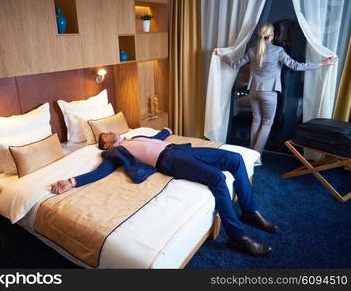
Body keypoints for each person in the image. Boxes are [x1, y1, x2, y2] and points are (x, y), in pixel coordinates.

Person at [51, 128, 279, 256]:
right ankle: (237, 237)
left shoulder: (134, 136)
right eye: (104, 136)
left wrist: (165, 130)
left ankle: (249, 210)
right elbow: (100, 172)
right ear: (106, 146)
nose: (107, 132)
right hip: (170, 161)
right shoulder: (114, 153)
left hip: (181, 150)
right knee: (217, 178)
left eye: (108, 131)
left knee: (236, 159)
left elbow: (158, 138)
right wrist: (72, 180)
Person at [213, 23, 337, 157]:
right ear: (271, 35)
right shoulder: (278, 51)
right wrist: (321, 63)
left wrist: (221, 55)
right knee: (266, 123)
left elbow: (235, 64)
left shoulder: (252, 50)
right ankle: (255, 155)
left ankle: (251, 152)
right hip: (269, 92)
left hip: (254, 91)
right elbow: (295, 66)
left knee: (256, 120)